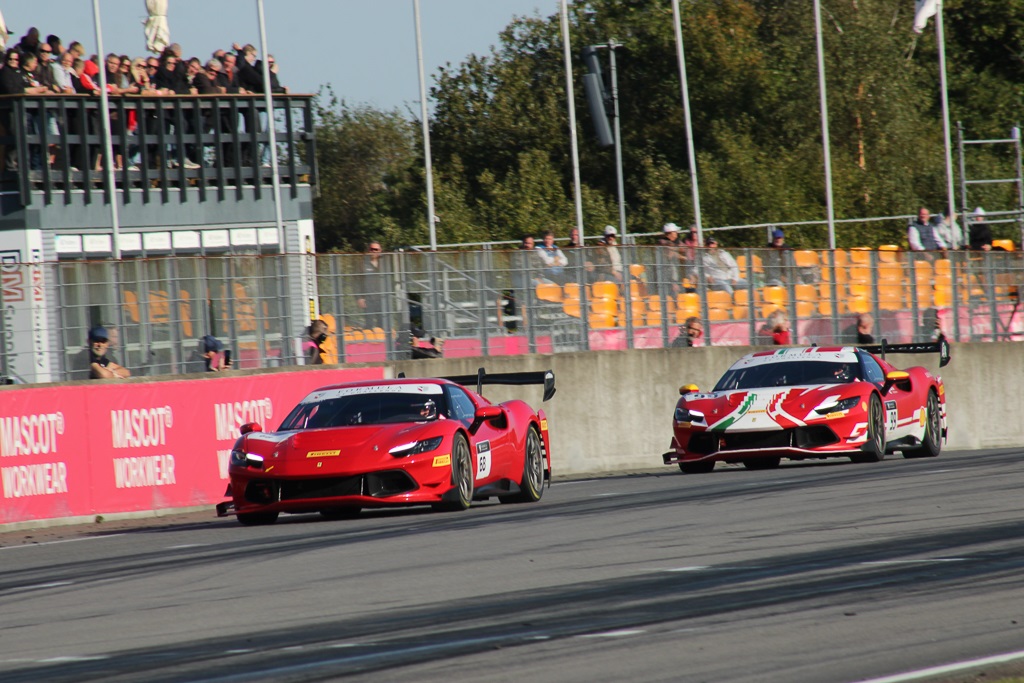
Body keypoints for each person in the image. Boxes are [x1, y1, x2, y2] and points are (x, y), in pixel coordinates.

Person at [357, 242, 387, 328]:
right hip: (368, 299)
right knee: (369, 324)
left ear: (380, 251)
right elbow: (357, 281)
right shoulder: (363, 264)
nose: (373, 251)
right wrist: (359, 297)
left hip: (382, 298)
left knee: (382, 324)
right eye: (372, 249)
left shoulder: (384, 264)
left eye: (376, 249)